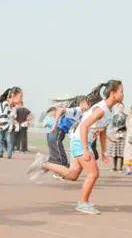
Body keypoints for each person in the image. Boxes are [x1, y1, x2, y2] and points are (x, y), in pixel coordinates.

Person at [26, 80, 124, 214]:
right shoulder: (101, 109)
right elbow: (83, 126)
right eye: (121, 91)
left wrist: (104, 151)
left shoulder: (110, 110)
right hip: (80, 140)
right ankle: (83, 203)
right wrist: (85, 149)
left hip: (82, 140)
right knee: (94, 173)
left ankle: (45, 164)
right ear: (112, 93)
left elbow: (102, 131)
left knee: (72, 175)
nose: (123, 94)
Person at [48, 97, 90, 168]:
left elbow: (77, 125)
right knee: (58, 150)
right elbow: (60, 110)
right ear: (82, 103)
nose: (89, 105)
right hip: (58, 130)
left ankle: (59, 165)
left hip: (62, 132)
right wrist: (55, 124)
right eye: (87, 103)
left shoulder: (81, 114)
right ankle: (63, 167)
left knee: (57, 151)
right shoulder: (76, 110)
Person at [108, 104, 126, 172]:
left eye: (122, 107)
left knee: (122, 152)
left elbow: (126, 125)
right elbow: (112, 125)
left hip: (123, 135)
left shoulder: (126, 116)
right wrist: (113, 131)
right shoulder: (115, 116)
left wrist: (119, 128)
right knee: (114, 152)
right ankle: (114, 167)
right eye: (119, 107)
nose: (120, 108)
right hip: (115, 135)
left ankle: (120, 168)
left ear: (123, 108)